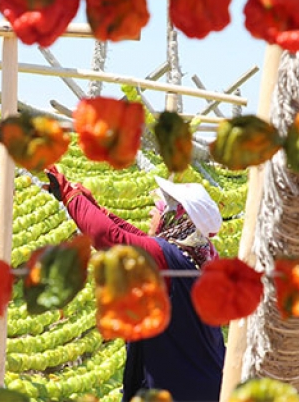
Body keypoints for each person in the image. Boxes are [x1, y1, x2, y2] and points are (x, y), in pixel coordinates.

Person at [43, 166, 226, 402]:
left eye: (160, 208)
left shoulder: (167, 258)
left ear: (176, 216)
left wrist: (70, 194)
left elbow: (108, 237)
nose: (152, 212)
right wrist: (95, 207)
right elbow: (134, 237)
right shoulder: (190, 259)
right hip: (202, 387)